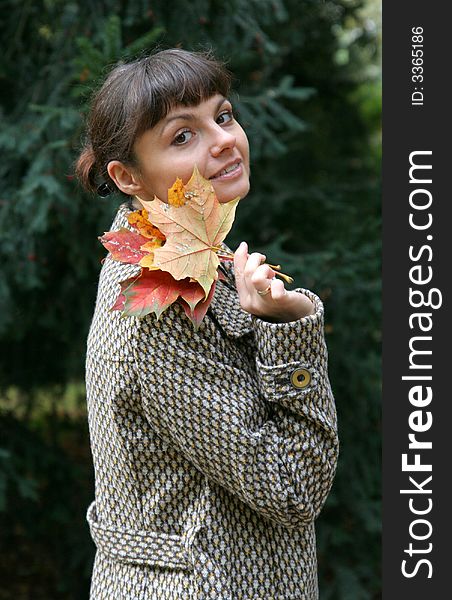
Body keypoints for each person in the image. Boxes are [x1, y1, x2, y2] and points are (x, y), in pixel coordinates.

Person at [76, 48, 338, 600]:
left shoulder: (196, 258)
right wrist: (293, 337)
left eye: (222, 116)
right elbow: (291, 488)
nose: (222, 139)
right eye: (181, 136)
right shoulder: (156, 306)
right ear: (128, 177)